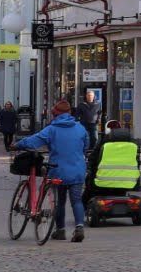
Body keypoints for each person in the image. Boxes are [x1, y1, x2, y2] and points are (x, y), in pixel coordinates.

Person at [15, 99, 89, 242]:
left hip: (59, 170)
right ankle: (79, 227)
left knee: (60, 201)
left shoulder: (52, 129)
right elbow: (86, 145)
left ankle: (60, 230)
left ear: (55, 114)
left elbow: (34, 141)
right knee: (76, 200)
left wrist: (18, 144)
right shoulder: (80, 128)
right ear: (69, 113)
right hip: (77, 169)